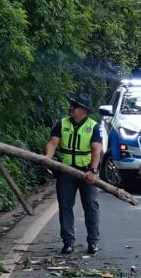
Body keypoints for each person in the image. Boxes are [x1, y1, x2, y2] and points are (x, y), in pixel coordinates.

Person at [44, 93, 103, 254]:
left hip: (86, 173)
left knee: (91, 206)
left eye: (74, 106)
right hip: (65, 171)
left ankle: (93, 242)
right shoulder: (62, 124)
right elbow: (52, 142)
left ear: (83, 110)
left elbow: (96, 150)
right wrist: (47, 159)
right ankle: (68, 242)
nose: (70, 108)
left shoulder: (94, 126)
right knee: (65, 206)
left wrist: (93, 170)